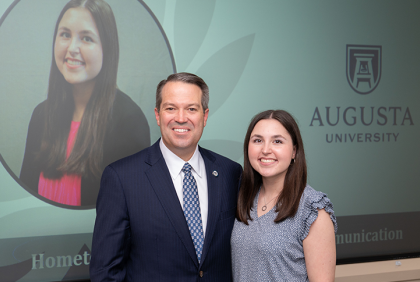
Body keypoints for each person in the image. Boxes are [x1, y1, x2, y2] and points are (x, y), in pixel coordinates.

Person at [89, 72, 243, 281]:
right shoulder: (121, 178)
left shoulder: (230, 173)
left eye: (191, 109)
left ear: (204, 116)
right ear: (157, 114)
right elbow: (106, 272)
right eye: (171, 108)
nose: (181, 118)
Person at [19, 0, 150, 207]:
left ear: (107, 49)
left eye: (86, 38)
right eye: (65, 35)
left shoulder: (129, 122)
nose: (72, 48)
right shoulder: (41, 116)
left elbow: (134, 213)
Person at [231, 110, 337, 282]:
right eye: (258, 140)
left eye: (277, 141)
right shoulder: (243, 196)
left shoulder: (312, 209)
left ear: (294, 151)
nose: (265, 150)